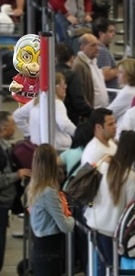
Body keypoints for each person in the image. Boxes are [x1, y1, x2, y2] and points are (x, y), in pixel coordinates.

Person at [86, 131, 135, 275]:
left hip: (95, 225)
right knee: (113, 269)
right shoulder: (131, 177)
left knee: (98, 267)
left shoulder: (102, 166)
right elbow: (129, 210)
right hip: (115, 232)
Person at [27, 144, 75, 276]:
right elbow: (65, 226)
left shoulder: (33, 188)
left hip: (39, 250)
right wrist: (72, 219)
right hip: (50, 254)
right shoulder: (48, 193)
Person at [0, 111, 29, 267]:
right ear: (3, 128)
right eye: (13, 125)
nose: (15, 128)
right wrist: (16, 175)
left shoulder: (5, 148)